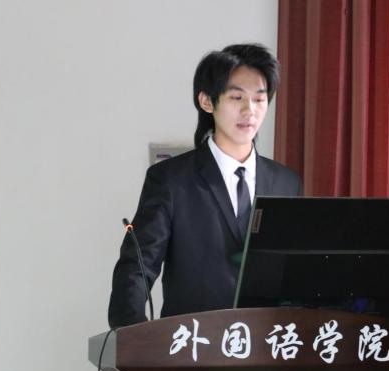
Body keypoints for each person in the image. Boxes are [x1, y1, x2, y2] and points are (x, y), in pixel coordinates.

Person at [108, 44, 302, 328]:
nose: (249, 110)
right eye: (237, 97)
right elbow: (138, 266)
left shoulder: (286, 183)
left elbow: (293, 273)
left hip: (264, 343)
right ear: (207, 101)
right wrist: (130, 334)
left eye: (260, 99)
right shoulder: (171, 180)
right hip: (193, 343)